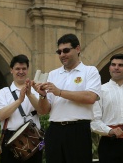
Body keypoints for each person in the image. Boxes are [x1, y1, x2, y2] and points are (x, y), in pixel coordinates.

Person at [33, 33, 101, 163]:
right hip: (55, 130)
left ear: (78, 49)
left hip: (78, 130)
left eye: (66, 50)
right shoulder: (53, 74)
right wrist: (42, 96)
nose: (62, 54)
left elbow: (90, 97)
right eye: (59, 52)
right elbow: (43, 111)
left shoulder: (90, 71)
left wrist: (59, 92)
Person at [0, 54, 42, 163]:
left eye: (24, 68)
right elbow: (0, 115)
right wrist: (19, 100)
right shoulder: (3, 92)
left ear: (27, 70)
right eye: (17, 69)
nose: (21, 71)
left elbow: (43, 111)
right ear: (11, 70)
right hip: (10, 138)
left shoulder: (35, 90)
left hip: (35, 137)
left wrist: (30, 95)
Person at [91, 54, 123, 163]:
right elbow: (94, 121)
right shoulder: (100, 91)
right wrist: (110, 131)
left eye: (121, 65)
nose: (116, 67)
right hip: (110, 142)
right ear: (109, 68)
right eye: (113, 64)